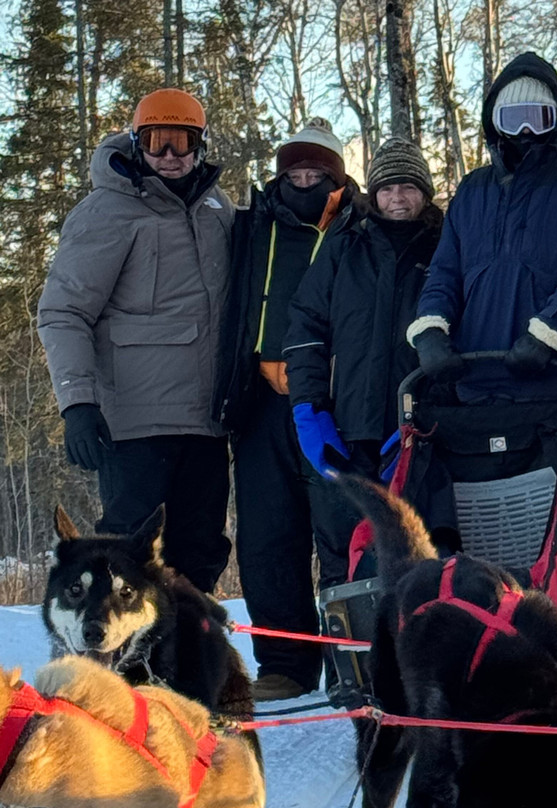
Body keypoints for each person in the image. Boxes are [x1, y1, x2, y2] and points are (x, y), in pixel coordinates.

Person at [38, 88, 234, 593]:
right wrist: (77, 402)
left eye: (181, 142)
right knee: (127, 555)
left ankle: (186, 661)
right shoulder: (108, 210)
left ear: (200, 145)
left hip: (208, 420)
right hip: (136, 422)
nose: (169, 156)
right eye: (155, 142)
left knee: (200, 550)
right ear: (136, 143)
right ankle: (116, 662)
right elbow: (63, 311)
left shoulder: (218, 209)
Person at [215, 119, 364, 701]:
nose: (304, 179)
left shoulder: (358, 225)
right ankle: (284, 662)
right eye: (295, 171)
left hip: (331, 401)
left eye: (316, 171)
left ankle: (351, 658)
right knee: (267, 537)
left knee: (340, 533)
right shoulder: (249, 228)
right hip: (259, 404)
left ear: (336, 175)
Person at [405, 52, 557, 448]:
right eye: (511, 118)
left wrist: (548, 332)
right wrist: (431, 330)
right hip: (478, 380)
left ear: (556, 119)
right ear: (493, 122)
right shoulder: (472, 191)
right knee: (479, 507)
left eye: (537, 118)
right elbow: (445, 272)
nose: (524, 130)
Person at [283, 136, 442, 578]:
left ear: (424, 193)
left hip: (419, 435)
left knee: (420, 561)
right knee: (344, 563)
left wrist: (431, 414)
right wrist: (311, 410)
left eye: (408, 187)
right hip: (348, 433)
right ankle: (347, 648)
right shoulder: (344, 245)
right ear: (373, 194)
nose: (397, 198)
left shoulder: (445, 247)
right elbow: (305, 328)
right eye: (388, 188)